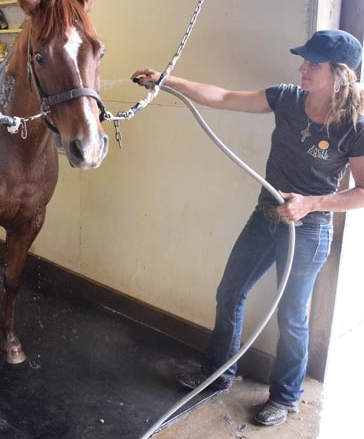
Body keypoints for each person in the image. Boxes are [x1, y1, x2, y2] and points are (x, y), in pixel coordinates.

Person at [131, 29, 364, 427]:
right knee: (230, 292)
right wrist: (168, 80)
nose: (301, 68)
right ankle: (219, 375)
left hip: (309, 231)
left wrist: (311, 203)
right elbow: (222, 97)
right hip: (265, 217)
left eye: (313, 63)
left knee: (291, 317)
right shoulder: (288, 98)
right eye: (303, 60)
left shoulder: (354, 125)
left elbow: (362, 192)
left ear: (340, 73)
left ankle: (286, 397)